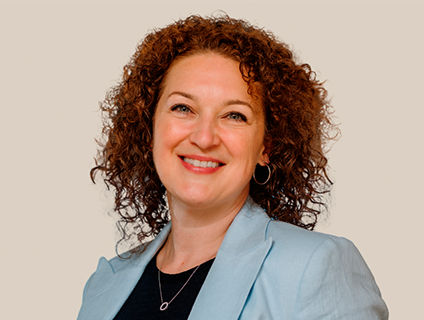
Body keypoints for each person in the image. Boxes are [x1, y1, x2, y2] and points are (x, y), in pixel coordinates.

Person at [77, 15, 388, 319]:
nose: (204, 137)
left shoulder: (314, 268)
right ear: (150, 129)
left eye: (234, 115)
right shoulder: (105, 284)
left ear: (265, 148)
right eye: (183, 108)